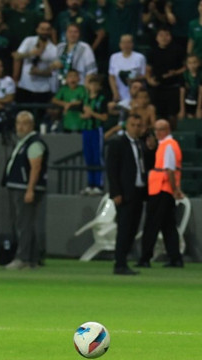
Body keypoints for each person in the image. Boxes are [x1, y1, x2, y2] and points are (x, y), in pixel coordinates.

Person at [106, 114, 154, 275]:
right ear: (127, 126)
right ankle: (119, 264)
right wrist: (116, 192)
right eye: (133, 125)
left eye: (138, 125)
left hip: (138, 192)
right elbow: (112, 170)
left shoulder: (140, 144)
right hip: (125, 193)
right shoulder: (117, 143)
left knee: (133, 229)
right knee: (124, 229)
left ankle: (123, 261)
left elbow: (144, 165)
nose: (136, 128)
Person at [3, 111, 48, 270]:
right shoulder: (24, 142)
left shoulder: (34, 143)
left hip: (24, 188)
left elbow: (36, 168)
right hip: (19, 187)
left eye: (24, 123)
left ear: (32, 125)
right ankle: (32, 259)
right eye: (18, 123)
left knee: (24, 225)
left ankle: (22, 258)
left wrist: (30, 189)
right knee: (26, 224)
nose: (20, 127)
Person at [137, 119, 183, 268]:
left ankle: (145, 258)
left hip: (161, 190)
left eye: (160, 129)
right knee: (168, 226)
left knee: (152, 225)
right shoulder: (166, 145)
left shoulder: (168, 146)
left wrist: (175, 189)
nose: (157, 133)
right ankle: (175, 258)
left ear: (167, 130)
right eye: (155, 130)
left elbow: (169, 170)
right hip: (164, 190)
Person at [79, 74, 108, 195]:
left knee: (97, 157)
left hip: (97, 130)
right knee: (88, 157)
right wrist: (84, 116)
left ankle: (99, 185)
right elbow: (81, 114)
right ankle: (90, 184)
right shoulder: (85, 99)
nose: (94, 87)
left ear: (100, 87)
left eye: (96, 84)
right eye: (92, 84)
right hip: (86, 130)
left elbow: (104, 117)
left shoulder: (102, 99)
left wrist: (92, 113)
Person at [108, 34, 146, 106]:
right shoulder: (114, 57)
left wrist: (133, 79)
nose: (126, 45)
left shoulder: (140, 57)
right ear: (120, 44)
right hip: (120, 94)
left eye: (128, 42)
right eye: (123, 42)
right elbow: (111, 77)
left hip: (135, 95)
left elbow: (144, 75)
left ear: (132, 44)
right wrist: (115, 93)